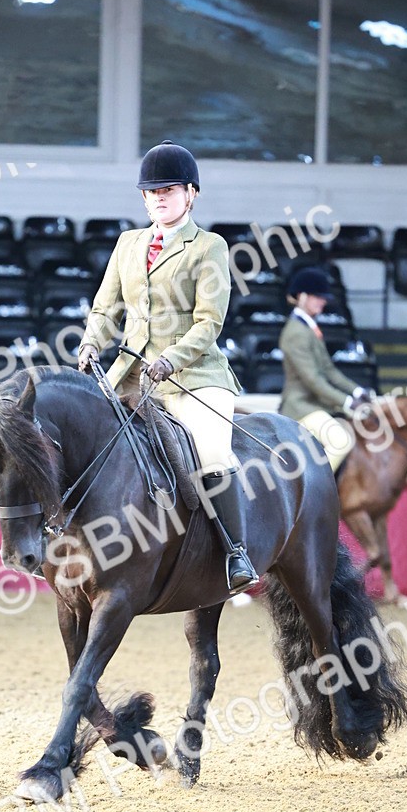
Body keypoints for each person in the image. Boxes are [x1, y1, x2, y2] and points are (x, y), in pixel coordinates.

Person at [77, 140, 258, 594]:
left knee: (213, 454)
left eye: (169, 189)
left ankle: (236, 552)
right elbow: (105, 308)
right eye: (152, 190)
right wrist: (89, 343)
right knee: (79, 441)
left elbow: (208, 323)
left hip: (193, 376)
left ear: (191, 193)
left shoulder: (209, 247)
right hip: (130, 375)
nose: (159, 197)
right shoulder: (127, 244)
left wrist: (170, 359)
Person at [278, 266, 374, 473]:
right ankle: (317, 493)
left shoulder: (309, 327)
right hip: (301, 405)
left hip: (317, 403)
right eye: (317, 296)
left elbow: (329, 371)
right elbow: (313, 380)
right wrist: (347, 401)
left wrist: (357, 391)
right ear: (302, 296)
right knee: (341, 441)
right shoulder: (296, 332)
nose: (323, 301)